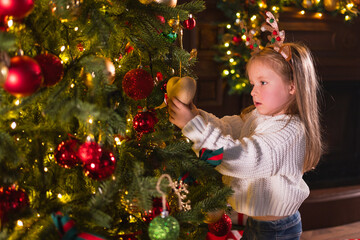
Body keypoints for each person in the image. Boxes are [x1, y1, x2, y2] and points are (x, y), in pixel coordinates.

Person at [167, 41, 323, 239]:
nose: (253, 91)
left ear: (292, 86)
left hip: (276, 230)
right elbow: (229, 130)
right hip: (261, 223)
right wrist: (197, 118)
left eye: (263, 82)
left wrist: (193, 127)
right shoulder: (259, 116)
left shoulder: (289, 131)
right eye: (252, 84)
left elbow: (243, 158)